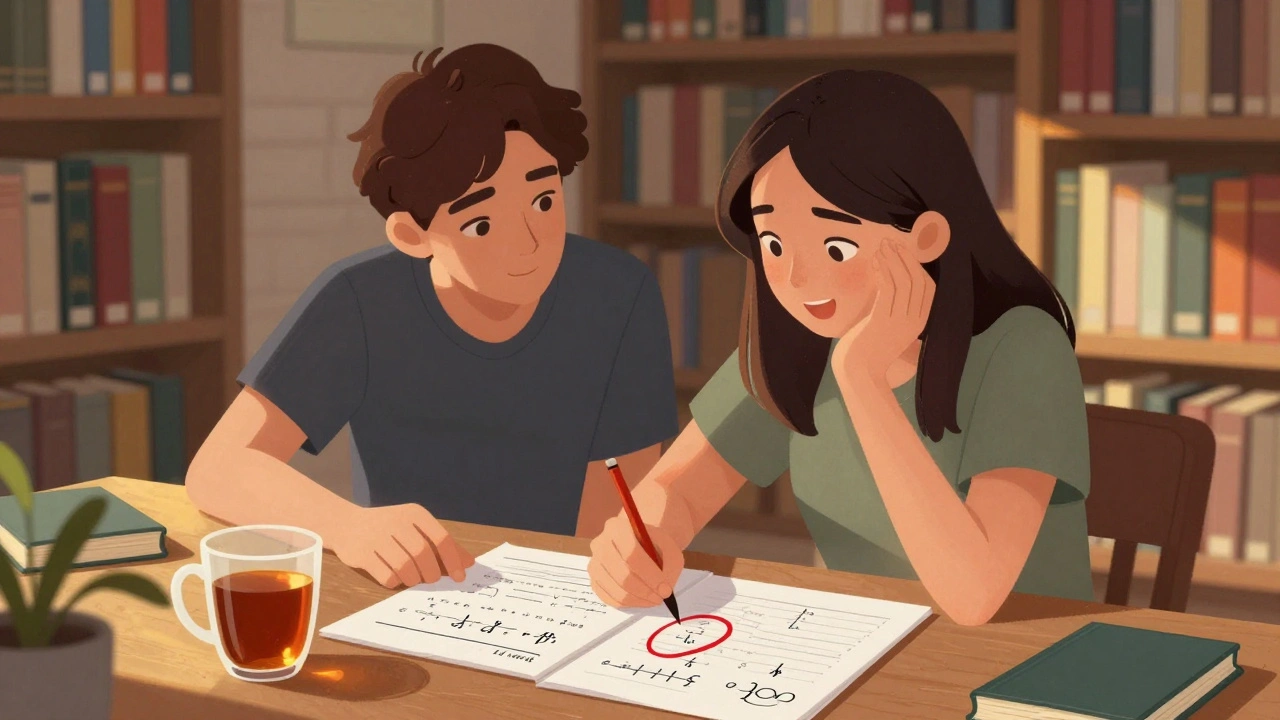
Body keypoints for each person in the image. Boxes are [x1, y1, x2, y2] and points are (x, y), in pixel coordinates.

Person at [586, 70, 1091, 627]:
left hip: (1025, 668)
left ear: (926, 237)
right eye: (774, 242)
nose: (797, 277)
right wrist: (646, 536)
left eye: (835, 244)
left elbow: (973, 596)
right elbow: (677, 490)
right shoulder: (802, 344)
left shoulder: (1023, 349)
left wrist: (863, 380)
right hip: (866, 652)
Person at [187, 45, 679, 590]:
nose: (530, 244)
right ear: (412, 236)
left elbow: (616, 512)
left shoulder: (617, 292)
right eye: (482, 225)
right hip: (408, 592)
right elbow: (219, 468)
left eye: (543, 200)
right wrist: (347, 527)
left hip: (563, 593)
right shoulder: (360, 301)